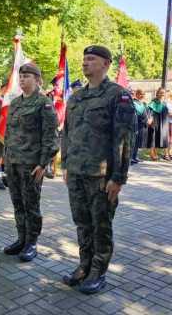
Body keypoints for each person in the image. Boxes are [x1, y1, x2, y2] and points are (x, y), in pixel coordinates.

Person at [61, 45, 135, 294]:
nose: (85, 63)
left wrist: (119, 177)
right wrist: (65, 164)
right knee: (82, 223)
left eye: (91, 59)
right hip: (77, 172)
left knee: (100, 225)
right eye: (84, 59)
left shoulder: (118, 95)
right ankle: (84, 266)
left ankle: (98, 272)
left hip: (101, 176)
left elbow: (124, 139)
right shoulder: (76, 97)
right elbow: (67, 133)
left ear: (106, 64)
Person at [4, 63, 59, 262]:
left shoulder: (43, 103)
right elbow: (9, 133)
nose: (22, 79)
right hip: (13, 162)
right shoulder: (15, 103)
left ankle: (31, 242)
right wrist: (5, 157)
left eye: (27, 76)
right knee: (17, 203)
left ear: (37, 80)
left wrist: (43, 164)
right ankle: (21, 238)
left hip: (31, 164)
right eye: (21, 76)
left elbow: (51, 137)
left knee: (31, 205)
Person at [146, 87, 169, 161]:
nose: (162, 94)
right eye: (160, 92)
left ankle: (164, 154)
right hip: (155, 122)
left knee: (163, 137)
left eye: (163, 93)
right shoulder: (153, 102)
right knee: (153, 137)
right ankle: (152, 154)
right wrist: (150, 119)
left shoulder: (164, 103)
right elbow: (149, 112)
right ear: (157, 93)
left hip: (164, 123)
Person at [131, 89, 149, 164]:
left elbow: (146, 113)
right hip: (136, 124)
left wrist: (148, 119)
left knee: (138, 142)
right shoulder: (134, 103)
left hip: (142, 125)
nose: (142, 96)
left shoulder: (142, 103)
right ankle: (131, 157)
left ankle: (135, 156)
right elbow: (138, 113)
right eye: (141, 94)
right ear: (137, 94)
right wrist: (146, 120)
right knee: (134, 141)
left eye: (143, 94)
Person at [167, 90, 172, 158]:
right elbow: (167, 113)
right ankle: (167, 153)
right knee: (169, 138)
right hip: (169, 122)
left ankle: (170, 152)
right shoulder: (168, 104)